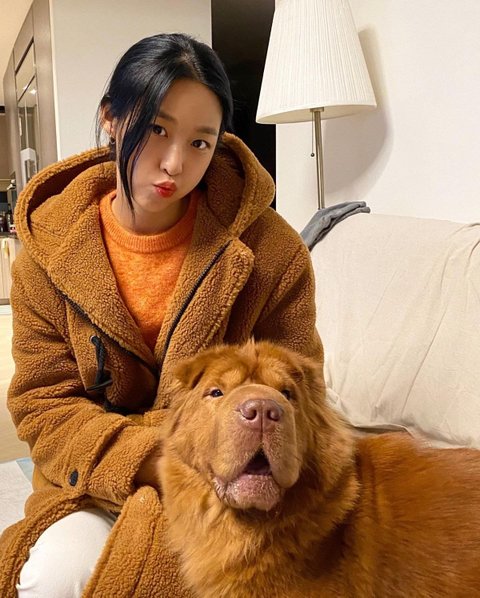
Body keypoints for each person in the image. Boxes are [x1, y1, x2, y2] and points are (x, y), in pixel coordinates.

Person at [0, 33, 322, 597]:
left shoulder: (271, 252)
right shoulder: (46, 257)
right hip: (94, 480)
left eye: (200, 142)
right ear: (111, 118)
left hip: (230, 473)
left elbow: (301, 388)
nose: (175, 162)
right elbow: (44, 404)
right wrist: (153, 457)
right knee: (55, 576)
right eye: (156, 129)